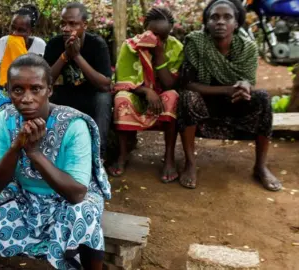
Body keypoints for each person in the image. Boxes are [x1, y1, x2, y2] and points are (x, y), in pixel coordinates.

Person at [0, 54, 111, 270]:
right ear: (8, 91)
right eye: (18, 90)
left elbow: (76, 194)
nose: (27, 98)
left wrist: (35, 153)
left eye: (36, 89)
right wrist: (16, 147)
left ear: (50, 90)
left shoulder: (74, 125)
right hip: (24, 197)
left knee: (84, 212)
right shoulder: (5, 119)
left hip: (66, 201)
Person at [178, 0, 282, 191]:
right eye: (214, 17)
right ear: (207, 23)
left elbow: (249, 81)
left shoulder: (248, 48)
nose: (220, 22)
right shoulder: (196, 42)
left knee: (263, 98)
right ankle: (190, 163)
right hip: (205, 102)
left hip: (235, 103)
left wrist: (245, 86)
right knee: (186, 97)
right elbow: (188, 84)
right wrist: (227, 89)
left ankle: (260, 167)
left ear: (236, 24)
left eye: (227, 17)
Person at [108, 7, 183, 180]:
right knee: (121, 99)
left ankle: (169, 158)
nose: (157, 39)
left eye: (163, 36)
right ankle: (122, 155)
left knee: (173, 97)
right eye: (153, 33)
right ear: (145, 27)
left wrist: (159, 55)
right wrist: (146, 90)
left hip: (162, 99)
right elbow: (122, 81)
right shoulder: (130, 46)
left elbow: (169, 84)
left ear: (170, 32)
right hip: (139, 95)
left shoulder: (176, 47)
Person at [44, 2, 112, 160]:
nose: (66, 28)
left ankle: (98, 156)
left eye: (72, 24)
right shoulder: (55, 44)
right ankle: (46, 151)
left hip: (91, 96)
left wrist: (76, 56)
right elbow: (46, 81)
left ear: (84, 25)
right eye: (63, 23)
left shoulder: (97, 44)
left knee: (104, 99)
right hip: (67, 95)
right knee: (44, 96)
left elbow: (104, 85)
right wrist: (65, 56)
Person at [0, 4, 47, 109]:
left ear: (31, 31)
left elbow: (41, 77)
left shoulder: (39, 46)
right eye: (12, 27)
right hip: (5, 92)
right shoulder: (3, 42)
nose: (14, 33)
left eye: (21, 30)